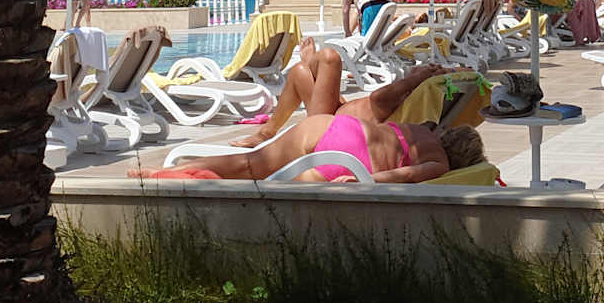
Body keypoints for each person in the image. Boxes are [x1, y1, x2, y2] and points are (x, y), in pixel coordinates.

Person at [136, 49, 483, 183]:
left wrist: (416, 78)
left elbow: (381, 104)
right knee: (266, 187)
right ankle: (186, 181)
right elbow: (407, 174)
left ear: (448, 133)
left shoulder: (423, 128)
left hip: (335, 127)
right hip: (349, 161)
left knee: (249, 164)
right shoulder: (439, 163)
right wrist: (366, 180)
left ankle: (164, 172)